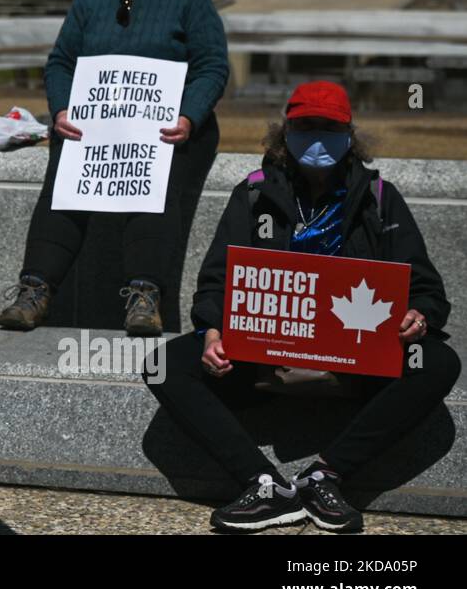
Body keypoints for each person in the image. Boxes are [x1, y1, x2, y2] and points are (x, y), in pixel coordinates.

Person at [145, 81, 461, 533]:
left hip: (356, 363)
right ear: (284, 132)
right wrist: (212, 330)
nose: (316, 138)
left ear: (349, 134)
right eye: (304, 126)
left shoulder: (380, 198)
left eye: (328, 128)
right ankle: (264, 486)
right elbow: (216, 281)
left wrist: (419, 316)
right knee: (163, 365)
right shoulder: (252, 195)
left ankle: (325, 477)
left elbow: (426, 287)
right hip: (261, 360)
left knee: (438, 362)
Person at [0, 0, 228, 336]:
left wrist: (188, 115)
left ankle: (144, 296)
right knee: (62, 182)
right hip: (94, 125)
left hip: (165, 129)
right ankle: (35, 290)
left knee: (155, 181)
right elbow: (62, 60)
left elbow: (213, 64)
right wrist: (62, 108)